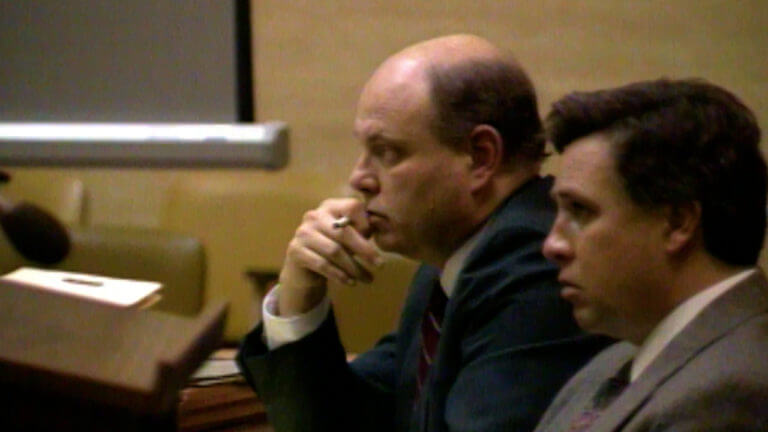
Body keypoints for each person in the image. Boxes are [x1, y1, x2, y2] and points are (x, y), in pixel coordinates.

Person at [237, 34, 610, 432]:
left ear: (481, 156)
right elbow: (345, 419)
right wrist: (299, 293)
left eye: (387, 152)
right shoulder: (455, 258)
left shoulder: (536, 267)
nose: (359, 178)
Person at [534, 78, 768, 431]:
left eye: (580, 211)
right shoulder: (613, 363)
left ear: (677, 223)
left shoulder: (733, 390)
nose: (553, 245)